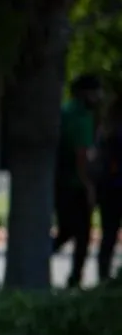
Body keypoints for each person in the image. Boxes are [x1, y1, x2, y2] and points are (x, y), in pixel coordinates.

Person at [53, 74, 104, 288]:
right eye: (96, 92)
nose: (99, 96)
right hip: (75, 183)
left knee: (67, 229)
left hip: (59, 180)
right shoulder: (82, 117)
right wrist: (89, 186)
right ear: (85, 93)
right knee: (81, 234)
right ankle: (75, 278)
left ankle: (45, 253)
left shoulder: (65, 111)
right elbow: (81, 154)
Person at [97, 95, 122, 284]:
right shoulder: (115, 136)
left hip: (108, 189)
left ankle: (104, 274)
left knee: (109, 235)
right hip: (115, 188)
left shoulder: (105, 134)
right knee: (109, 235)